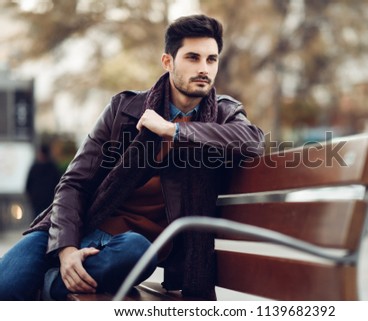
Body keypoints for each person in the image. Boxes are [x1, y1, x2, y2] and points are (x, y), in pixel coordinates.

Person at [0, 14, 265, 301]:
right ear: (168, 61)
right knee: (8, 288)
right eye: (193, 57)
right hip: (77, 228)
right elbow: (74, 183)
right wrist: (66, 250)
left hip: (126, 249)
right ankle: (61, 272)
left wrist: (173, 130)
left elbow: (253, 141)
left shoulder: (224, 114)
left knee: (138, 251)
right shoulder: (124, 108)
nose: (204, 69)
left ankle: (53, 284)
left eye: (211, 59)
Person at [25, 144, 61, 218]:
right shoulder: (53, 168)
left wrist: (31, 197)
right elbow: (59, 184)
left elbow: (28, 185)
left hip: (37, 201)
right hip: (49, 202)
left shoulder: (34, 167)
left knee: (36, 221)